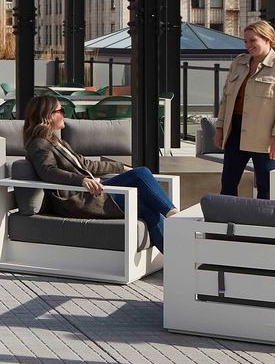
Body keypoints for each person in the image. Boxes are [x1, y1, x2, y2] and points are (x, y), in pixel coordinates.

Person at [21, 93, 176, 250]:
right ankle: (175, 219)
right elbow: (48, 172)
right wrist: (81, 180)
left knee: (142, 181)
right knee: (143, 183)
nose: (64, 115)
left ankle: (175, 255)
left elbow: (86, 165)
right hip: (80, 199)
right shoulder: (39, 144)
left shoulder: (56, 141)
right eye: (61, 111)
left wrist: (121, 168)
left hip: (92, 192)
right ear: (48, 116)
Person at [215, 19, 275, 198]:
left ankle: (262, 224)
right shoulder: (238, 63)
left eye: (253, 40)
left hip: (264, 136)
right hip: (235, 132)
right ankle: (226, 222)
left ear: (267, 39)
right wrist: (220, 128)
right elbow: (226, 99)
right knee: (228, 183)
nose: (248, 45)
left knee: (265, 187)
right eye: (245, 41)